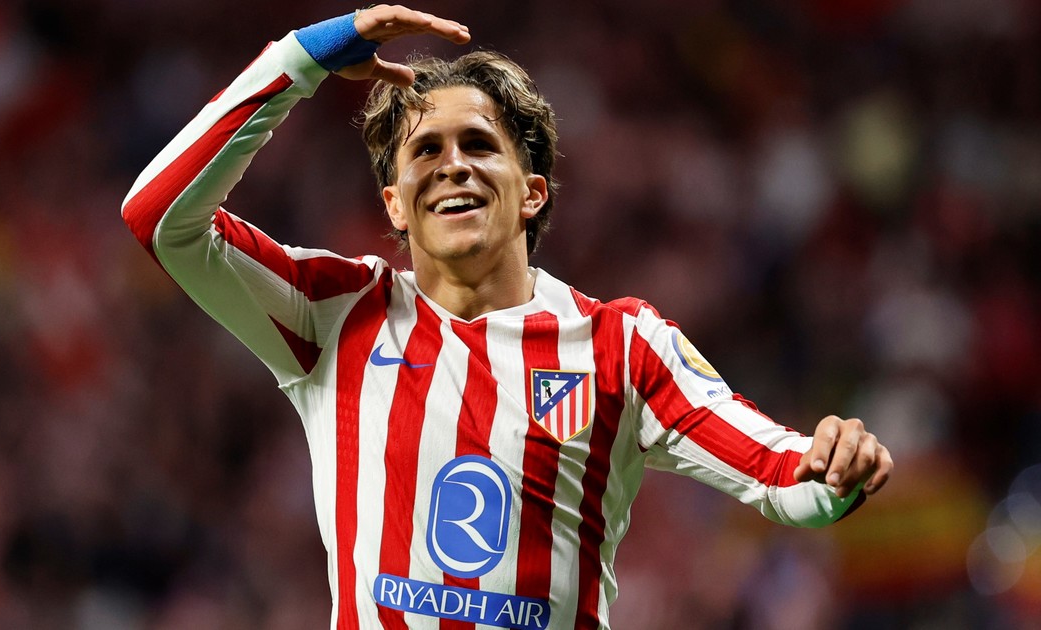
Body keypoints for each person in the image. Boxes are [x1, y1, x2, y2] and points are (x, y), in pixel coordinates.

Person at [121, 5, 893, 628]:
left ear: (531, 191)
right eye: (425, 151)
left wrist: (836, 469)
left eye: (478, 144)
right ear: (395, 205)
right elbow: (159, 217)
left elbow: (785, 481)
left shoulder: (623, 346)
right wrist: (301, 60)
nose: (453, 164)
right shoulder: (336, 314)